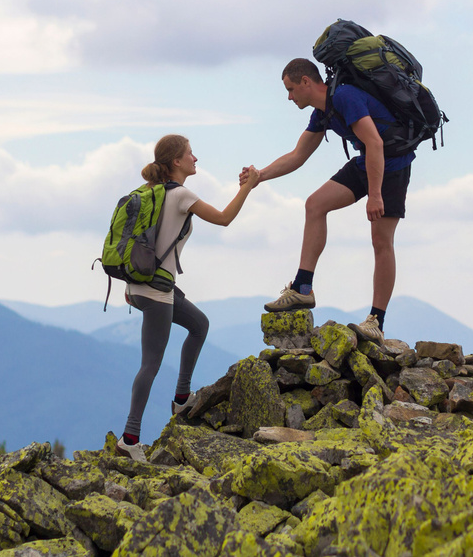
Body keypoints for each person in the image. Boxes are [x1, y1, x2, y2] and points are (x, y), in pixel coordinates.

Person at [242, 58, 415, 344]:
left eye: (291, 89)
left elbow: (375, 143)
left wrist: (374, 195)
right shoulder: (323, 112)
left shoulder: (345, 97)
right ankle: (303, 287)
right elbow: (297, 156)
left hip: (392, 166)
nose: (289, 97)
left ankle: (376, 321)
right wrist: (260, 175)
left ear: (306, 82)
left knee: (381, 240)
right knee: (315, 204)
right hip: (366, 163)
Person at [116, 134, 259, 462]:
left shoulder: (150, 193)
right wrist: (247, 187)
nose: (196, 159)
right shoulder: (180, 194)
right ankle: (130, 438)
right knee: (150, 364)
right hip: (155, 293)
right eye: (191, 155)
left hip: (142, 286)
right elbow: (224, 218)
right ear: (176, 162)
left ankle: (182, 398)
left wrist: (130, 283)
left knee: (199, 324)